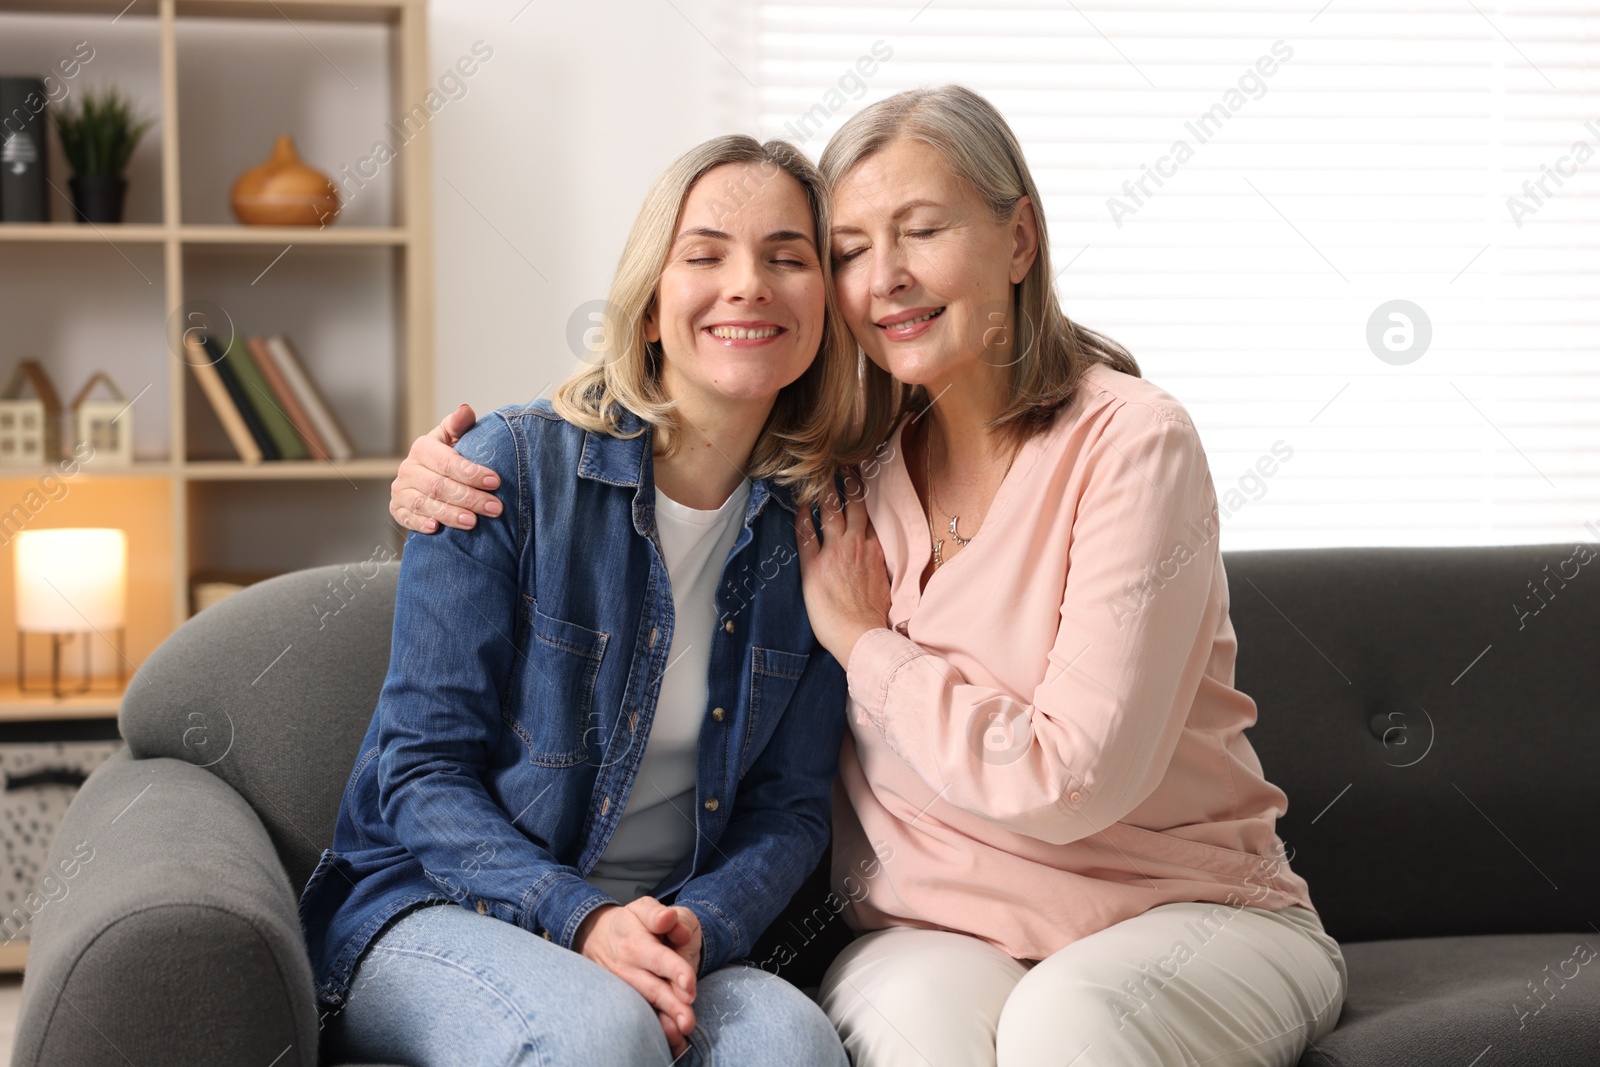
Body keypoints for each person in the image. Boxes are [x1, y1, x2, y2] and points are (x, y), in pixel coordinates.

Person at [389, 86, 1349, 1067]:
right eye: (848, 248)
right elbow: (615, 461)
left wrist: (865, 641)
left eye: (920, 230)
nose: (884, 276)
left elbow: (1063, 780)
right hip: (940, 933)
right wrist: (440, 479)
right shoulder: (842, 470)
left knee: (1062, 1024)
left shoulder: (1119, 443)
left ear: (1019, 240)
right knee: (905, 1030)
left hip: (1168, 909)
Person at [300, 133, 862, 1067]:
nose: (750, 284)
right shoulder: (504, 472)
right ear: (647, 307)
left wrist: (697, 927)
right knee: (594, 1036)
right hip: (442, 904)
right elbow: (418, 773)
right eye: (706, 252)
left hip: (676, 920)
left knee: (792, 1046)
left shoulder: (825, 526)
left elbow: (790, 808)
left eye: (787, 256)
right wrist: (584, 917)